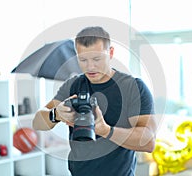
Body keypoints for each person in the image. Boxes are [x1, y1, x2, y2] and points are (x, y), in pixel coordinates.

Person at [33, 26, 157, 176]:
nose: (90, 66)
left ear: (110, 53)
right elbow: (37, 122)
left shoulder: (133, 87)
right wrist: (56, 114)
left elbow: (148, 142)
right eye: (83, 60)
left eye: (97, 59)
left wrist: (106, 130)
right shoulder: (74, 85)